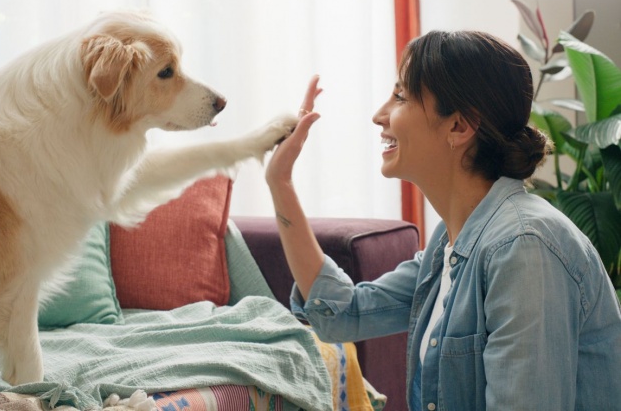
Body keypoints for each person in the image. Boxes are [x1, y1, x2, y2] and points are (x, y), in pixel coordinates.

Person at [265, 30, 621, 411]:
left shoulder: (524, 246)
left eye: (400, 97)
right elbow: (343, 314)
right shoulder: (451, 242)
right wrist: (280, 182)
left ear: (459, 127)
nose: (379, 115)